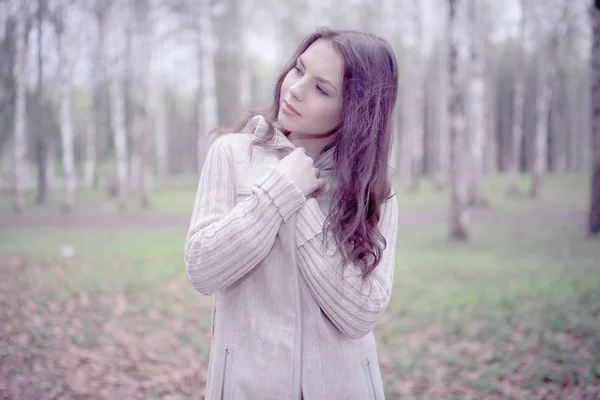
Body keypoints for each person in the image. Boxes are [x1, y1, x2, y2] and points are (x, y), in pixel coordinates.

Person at [184, 27, 399, 400]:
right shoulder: (232, 154)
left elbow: (361, 315)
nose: (295, 88)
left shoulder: (374, 191)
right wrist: (278, 192)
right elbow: (203, 269)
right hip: (247, 386)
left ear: (356, 111)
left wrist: (299, 205)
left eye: (321, 88)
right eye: (299, 70)